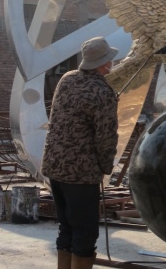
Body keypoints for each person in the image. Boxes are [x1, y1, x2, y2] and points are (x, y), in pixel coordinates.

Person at [42, 37, 119, 269]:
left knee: (66, 227)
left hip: (54, 167)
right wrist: (106, 167)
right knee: (85, 232)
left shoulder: (67, 79)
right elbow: (106, 139)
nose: (111, 64)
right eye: (109, 61)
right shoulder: (103, 92)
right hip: (81, 174)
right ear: (104, 63)